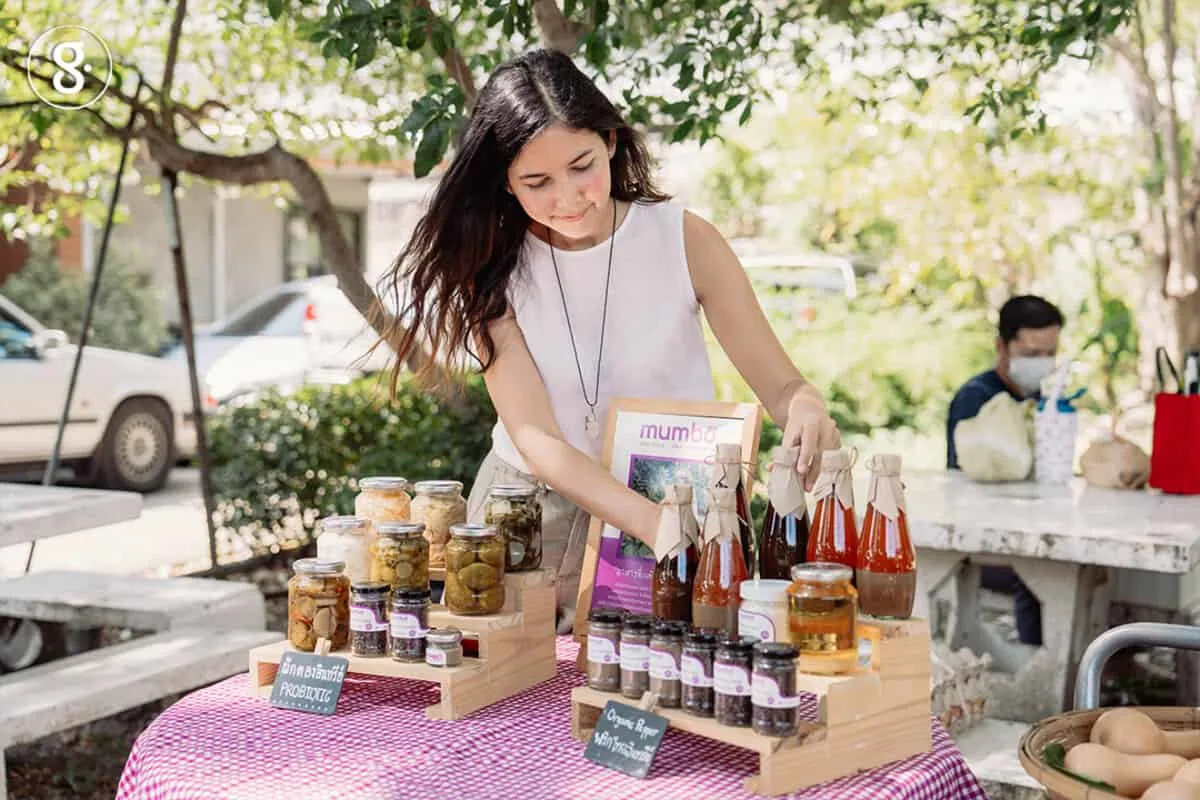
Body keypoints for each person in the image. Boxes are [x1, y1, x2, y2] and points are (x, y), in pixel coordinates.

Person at [376, 49, 842, 632]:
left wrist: (807, 408)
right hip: (529, 515)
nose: (568, 198)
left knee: (679, 672)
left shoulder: (684, 240)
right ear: (506, 183)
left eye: (582, 166)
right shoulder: (492, 265)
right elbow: (537, 439)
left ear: (612, 141)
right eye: (537, 182)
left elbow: (783, 386)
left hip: (674, 500)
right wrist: (654, 526)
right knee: (516, 681)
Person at [946, 294, 1064, 647]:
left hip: (1033, 531)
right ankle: (1039, 666)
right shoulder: (977, 399)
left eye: (1050, 354)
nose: (1042, 363)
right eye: (1031, 353)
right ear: (1002, 346)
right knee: (1042, 572)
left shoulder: (1044, 399)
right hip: (981, 543)